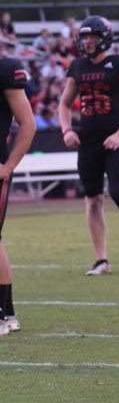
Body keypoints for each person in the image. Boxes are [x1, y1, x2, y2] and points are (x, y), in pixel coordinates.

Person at [58, 16, 119, 275]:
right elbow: (64, 104)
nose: (88, 41)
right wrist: (67, 129)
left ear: (105, 38)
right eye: (85, 37)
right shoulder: (77, 66)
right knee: (92, 199)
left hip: (113, 141)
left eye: (93, 37)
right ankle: (101, 260)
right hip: (87, 142)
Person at [0, 53, 36, 334]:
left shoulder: (6, 69)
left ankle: (1, 314)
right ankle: (8, 313)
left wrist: (9, 165)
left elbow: (28, 123)